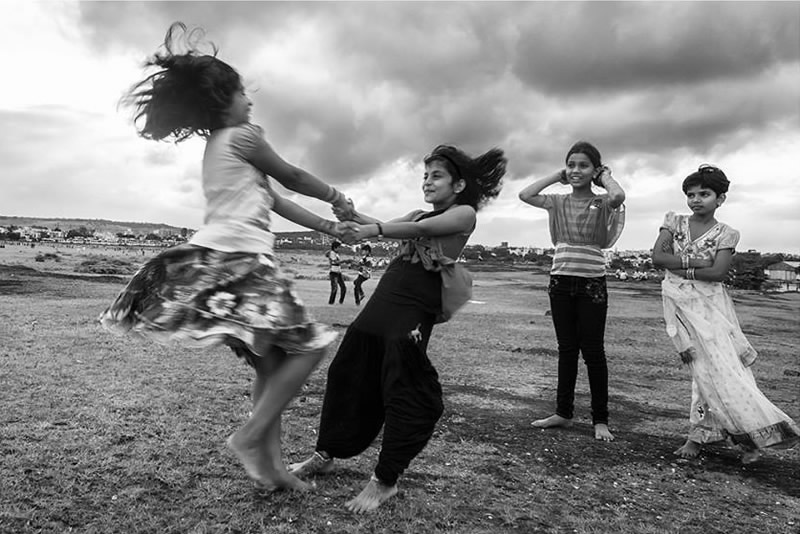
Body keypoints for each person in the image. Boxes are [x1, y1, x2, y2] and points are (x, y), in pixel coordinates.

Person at [98, 22, 352, 491]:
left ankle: (270, 469)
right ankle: (249, 436)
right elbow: (294, 177)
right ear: (223, 100)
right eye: (242, 93)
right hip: (243, 261)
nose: (250, 101)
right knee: (310, 347)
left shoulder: (220, 150)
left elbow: (277, 200)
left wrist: (330, 226)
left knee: (270, 365)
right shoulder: (245, 137)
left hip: (213, 263)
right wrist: (336, 196)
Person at [289, 144, 506, 512]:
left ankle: (384, 480)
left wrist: (371, 227)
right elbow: (397, 225)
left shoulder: (464, 214)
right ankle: (325, 453)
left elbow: (415, 230)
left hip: (413, 309)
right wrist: (352, 213)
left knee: (403, 389)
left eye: (436, 175)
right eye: (425, 175)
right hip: (385, 300)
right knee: (346, 372)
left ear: (458, 185)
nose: (427, 181)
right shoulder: (418, 214)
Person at [651, 164, 799, 463]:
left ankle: (734, 434)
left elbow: (718, 272)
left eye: (704, 194)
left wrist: (681, 264)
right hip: (679, 306)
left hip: (711, 308)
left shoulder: (727, 233)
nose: (695, 200)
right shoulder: (673, 223)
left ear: (720, 199)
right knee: (701, 369)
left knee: (723, 369)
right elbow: (657, 258)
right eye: (690, 194)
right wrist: (698, 262)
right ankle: (710, 435)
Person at [519, 141, 625, 442]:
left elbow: (618, 195)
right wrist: (557, 174)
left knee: (593, 351)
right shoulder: (556, 201)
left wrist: (603, 176)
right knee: (566, 349)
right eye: (572, 164)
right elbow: (525, 194)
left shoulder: (603, 202)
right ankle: (563, 413)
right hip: (560, 282)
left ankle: (600, 420)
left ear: (595, 170)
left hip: (592, 282)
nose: (576, 170)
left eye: (583, 165)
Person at [325, 240, 346, 304]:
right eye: (338, 247)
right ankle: (331, 302)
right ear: (335, 247)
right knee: (335, 289)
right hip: (334, 272)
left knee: (343, 288)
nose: (339, 249)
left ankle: (340, 302)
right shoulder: (332, 253)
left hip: (338, 272)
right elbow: (335, 262)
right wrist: (344, 261)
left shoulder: (336, 254)